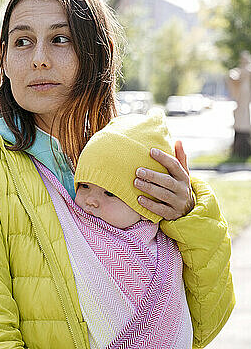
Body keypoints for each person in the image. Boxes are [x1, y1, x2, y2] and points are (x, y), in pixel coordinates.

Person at [0, 0, 234, 349]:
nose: (39, 59)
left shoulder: (131, 162)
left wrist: (190, 218)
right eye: (22, 41)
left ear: (96, 53)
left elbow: (202, 323)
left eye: (60, 39)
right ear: (6, 60)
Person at [36, 111, 194, 348]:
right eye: (85, 185)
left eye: (110, 192)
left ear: (147, 204)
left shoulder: (168, 250)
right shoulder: (74, 225)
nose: (90, 200)